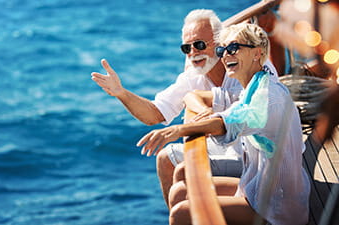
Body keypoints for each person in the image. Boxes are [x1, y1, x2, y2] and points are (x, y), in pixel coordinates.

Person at [91, 9, 278, 207]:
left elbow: (236, 119)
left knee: (183, 179)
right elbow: (155, 113)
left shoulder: (248, 68)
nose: (192, 54)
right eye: (186, 49)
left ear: (220, 43)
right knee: (166, 159)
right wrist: (121, 93)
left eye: (198, 45)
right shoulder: (193, 77)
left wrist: (182, 128)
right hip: (227, 149)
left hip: (258, 156)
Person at [137, 23, 310, 225]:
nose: (226, 55)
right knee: (179, 192)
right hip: (257, 186)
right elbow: (215, 106)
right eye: (222, 50)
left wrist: (178, 129)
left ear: (257, 53)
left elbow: (228, 123)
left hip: (278, 205)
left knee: (181, 213)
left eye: (234, 48)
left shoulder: (269, 97)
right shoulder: (253, 86)